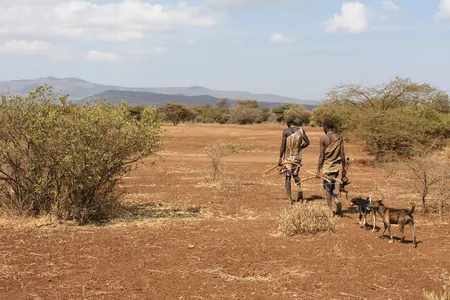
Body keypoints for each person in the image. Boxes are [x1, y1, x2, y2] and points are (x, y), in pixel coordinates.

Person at [316, 119, 346, 216]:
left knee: (327, 188)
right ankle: (336, 201)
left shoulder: (323, 139)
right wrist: (344, 168)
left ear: (325, 127)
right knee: (332, 185)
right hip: (336, 166)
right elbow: (342, 154)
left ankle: (329, 210)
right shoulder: (339, 138)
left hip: (326, 167)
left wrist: (318, 170)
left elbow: (321, 156)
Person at [278, 119, 310, 204]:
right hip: (297, 157)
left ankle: (289, 198)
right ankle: (300, 194)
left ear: (288, 124)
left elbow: (283, 146)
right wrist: (299, 148)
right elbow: (307, 142)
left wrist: (280, 158)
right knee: (296, 175)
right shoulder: (301, 130)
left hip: (288, 157)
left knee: (288, 177)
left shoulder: (286, 131)